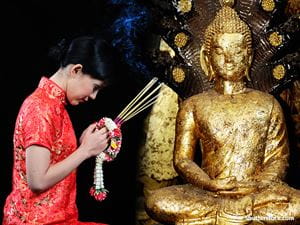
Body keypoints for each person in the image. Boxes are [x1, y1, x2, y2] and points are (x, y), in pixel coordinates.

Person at [145, 4, 300, 225]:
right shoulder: (193, 105)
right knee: (158, 202)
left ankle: (228, 215)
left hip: (257, 193)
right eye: (220, 51)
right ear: (207, 58)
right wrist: (210, 184)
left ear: (248, 56)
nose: (229, 59)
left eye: (237, 51)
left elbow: (279, 159)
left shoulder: (268, 103)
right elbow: (182, 160)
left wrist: (257, 185)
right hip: (211, 193)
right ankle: (240, 215)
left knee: (297, 206)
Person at [3, 35, 116, 225]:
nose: (94, 96)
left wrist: (82, 144)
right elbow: (38, 181)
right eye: (95, 87)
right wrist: (85, 150)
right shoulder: (40, 107)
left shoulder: (54, 105)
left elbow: (53, 159)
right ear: (76, 70)